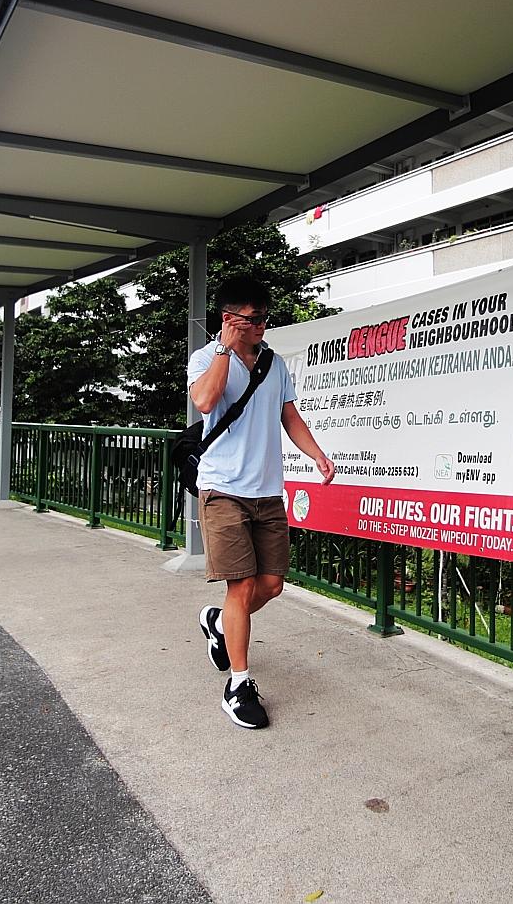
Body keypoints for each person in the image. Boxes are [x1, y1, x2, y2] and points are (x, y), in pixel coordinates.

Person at [187, 276, 335, 729]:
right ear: (229, 320)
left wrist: (317, 454)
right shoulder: (205, 359)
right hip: (223, 489)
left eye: (265, 318)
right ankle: (239, 683)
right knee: (241, 585)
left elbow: (288, 414)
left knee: (271, 585)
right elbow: (205, 400)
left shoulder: (274, 363)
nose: (261, 327)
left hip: (268, 491)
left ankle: (218, 624)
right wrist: (224, 351)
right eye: (252, 320)